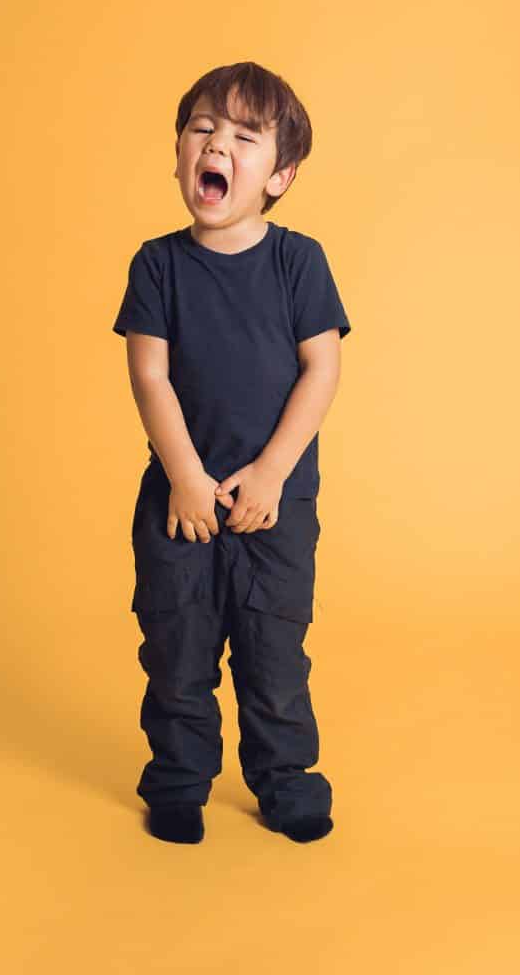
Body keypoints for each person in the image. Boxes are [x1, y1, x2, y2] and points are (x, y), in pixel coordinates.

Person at [112, 61, 351, 844]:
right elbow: (150, 374)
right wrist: (183, 475)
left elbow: (322, 367)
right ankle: (179, 781)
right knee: (177, 647)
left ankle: (286, 781)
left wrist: (274, 471)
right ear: (181, 153)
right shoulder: (157, 264)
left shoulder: (298, 261)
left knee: (274, 654)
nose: (217, 143)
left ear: (278, 175)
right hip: (182, 501)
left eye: (244, 137)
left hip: (273, 503)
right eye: (202, 129)